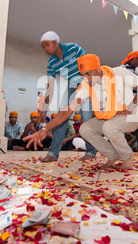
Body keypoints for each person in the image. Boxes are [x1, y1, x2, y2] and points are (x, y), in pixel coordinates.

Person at [24, 54, 138, 170]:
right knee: (85, 129)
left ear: (98, 69)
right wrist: (45, 129)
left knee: (109, 127)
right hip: (108, 117)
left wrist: (130, 107)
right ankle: (112, 155)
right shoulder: (86, 84)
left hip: (130, 116)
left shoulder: (118, 73)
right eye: (83, 75)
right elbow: (68, 110)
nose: (86, 78)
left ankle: (127, 157)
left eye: (88, 74)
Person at [39, 31, 96, 162]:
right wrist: (44, 110)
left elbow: (89, 65)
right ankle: (53, 154)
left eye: (47, 45)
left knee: (86, 117)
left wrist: (90, 87)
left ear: (55, 42)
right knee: (62, 117)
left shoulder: (73, 48)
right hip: (72, 87)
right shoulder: (51, 63)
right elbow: (50, 87)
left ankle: (91, 152)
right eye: (43, 46)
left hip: (86, 83)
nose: (45, 49)